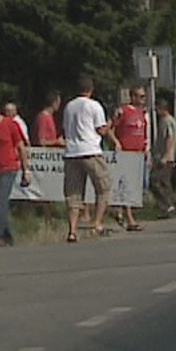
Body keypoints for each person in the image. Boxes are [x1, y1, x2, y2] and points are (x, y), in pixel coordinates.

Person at [60, 76, 112, 243]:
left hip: (72, 152)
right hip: (90, 150)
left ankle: (72, 230)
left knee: (73, 193)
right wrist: (112, 122)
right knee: (103, 187)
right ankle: (96, 223)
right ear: (91, 90)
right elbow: (101, 130)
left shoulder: (69, 107)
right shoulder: (94, 106)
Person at [0, 100, 31, 247]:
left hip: (8, 168)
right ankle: (7, 234)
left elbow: (21, 147)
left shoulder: (10, 125)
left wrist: (25, 170)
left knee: (0, 199)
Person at [110, 84, 149, 232]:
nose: (143, 99)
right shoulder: (123, 111)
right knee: (126, 187)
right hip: (125, 154)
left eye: (144, 97)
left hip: (137, 155)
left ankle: (119, 211)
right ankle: (129, 219)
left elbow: (143, 133)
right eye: (140, 96)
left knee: (132, 188)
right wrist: (116, 142)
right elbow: (110, 128)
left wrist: (145, 150)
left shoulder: (142, 113)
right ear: (133, 97)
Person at [150, 95, 176, 215]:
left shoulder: (166, 121)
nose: (155, 111)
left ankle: (166, 204)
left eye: (157, 108)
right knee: (165, 183)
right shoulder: (166, 120)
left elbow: (169, 138)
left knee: (154, 181)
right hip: (165, 157)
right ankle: (168, 207)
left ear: (162, 108)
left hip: (165, 158)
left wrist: (165, 156)